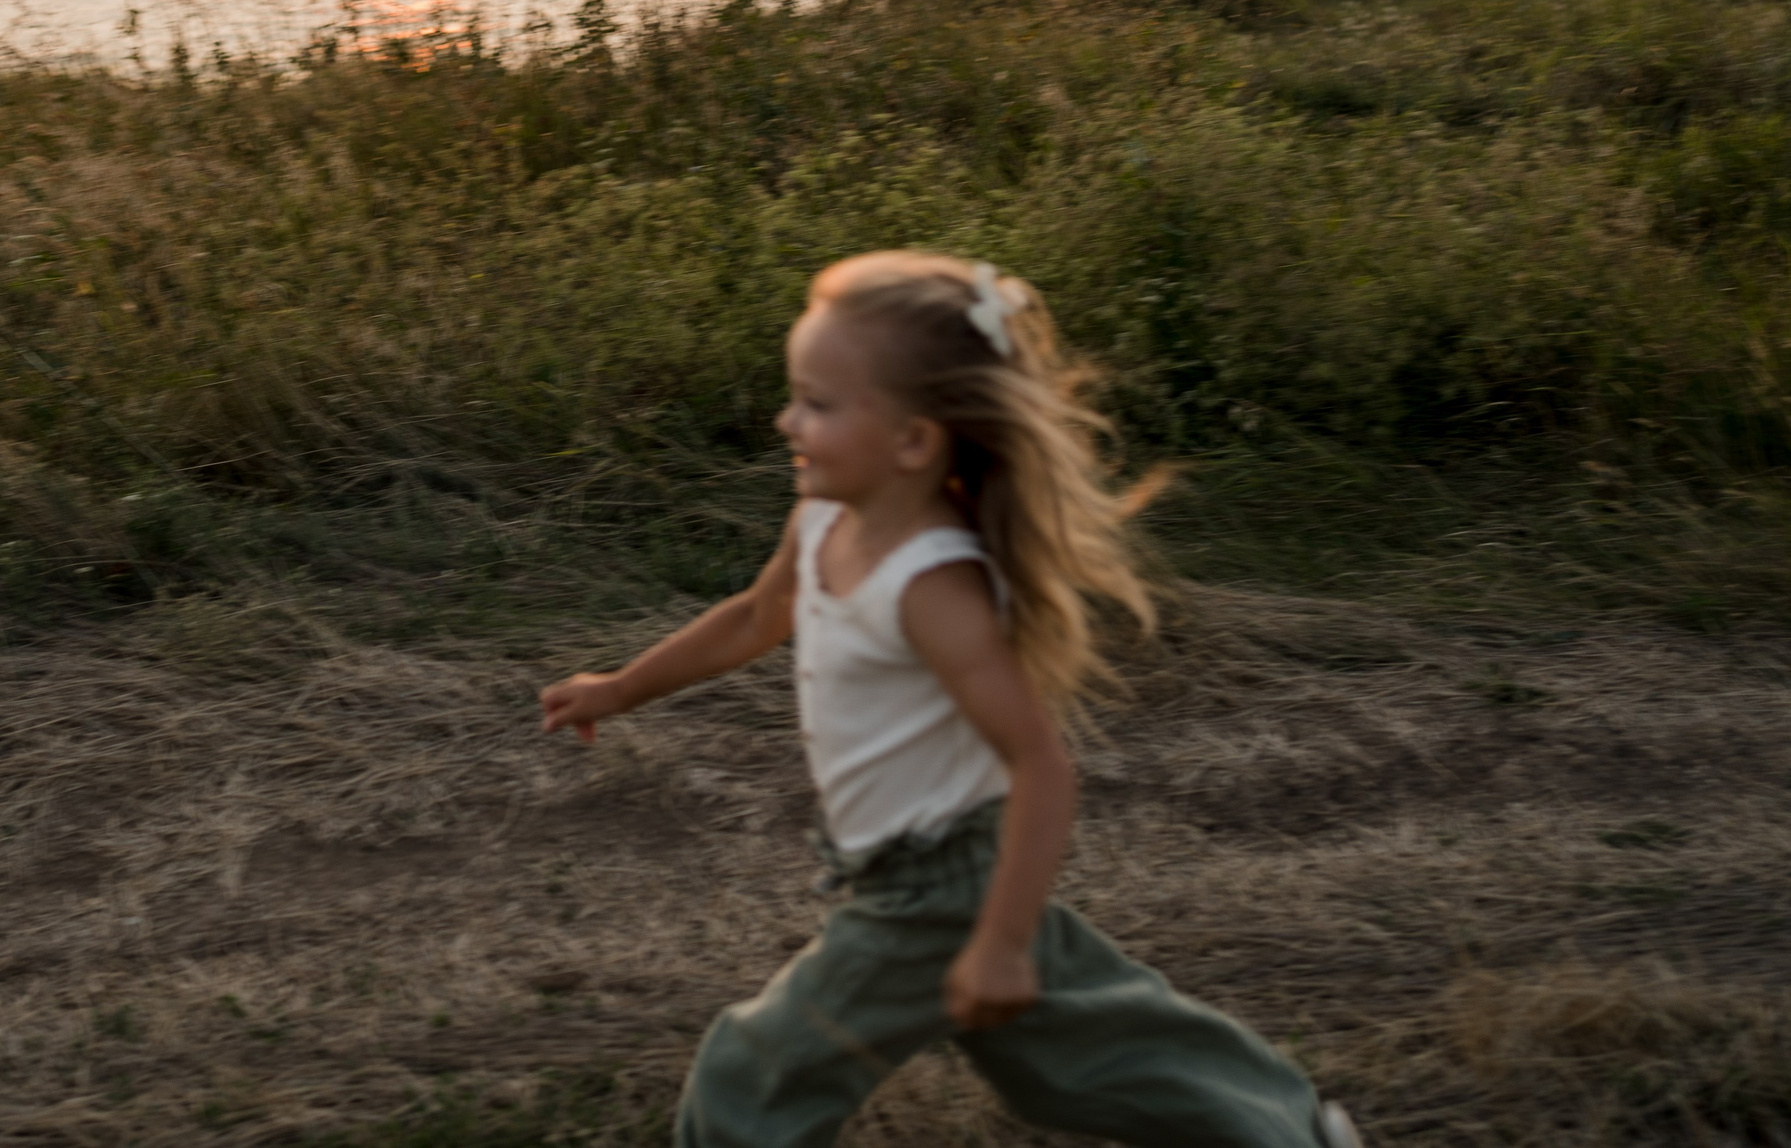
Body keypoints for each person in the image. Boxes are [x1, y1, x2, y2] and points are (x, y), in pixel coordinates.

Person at [539, 252, 1362, 1148]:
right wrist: (620, 686)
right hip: (931, 871)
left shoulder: (931, 584)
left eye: (816, 402)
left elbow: (1041, 765)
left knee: (751, 1073)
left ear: (914, 441)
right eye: (794, 395)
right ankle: (1286, 1130)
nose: (786, 419)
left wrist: (998, 942)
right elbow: (753, 616)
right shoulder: (822, 521)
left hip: (928, 893)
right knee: (1082, 1060)